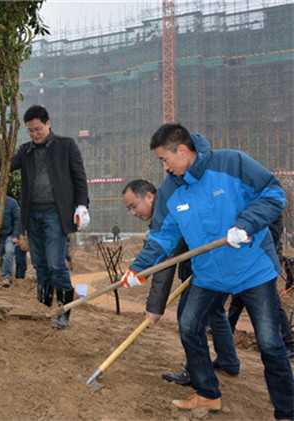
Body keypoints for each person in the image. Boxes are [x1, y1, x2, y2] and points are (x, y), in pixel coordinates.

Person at [120, 124, 293, 418]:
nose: (164, 167)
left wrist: (246, 224)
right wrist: (139, 268)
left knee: (269, 343)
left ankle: (287, 411)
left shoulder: (231, 163)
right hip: (209, 274)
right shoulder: (170, 190)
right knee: (189, 326)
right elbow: (162, 237)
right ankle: (207, 394)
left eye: (164, 159)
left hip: (252, 269)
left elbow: (273, 193)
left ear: (182, 150)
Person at [122, 179, 239, 388]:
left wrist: (155, 307)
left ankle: (196, 372)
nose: (133, 213)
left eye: (133, 206)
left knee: (188, 316)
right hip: (212, 264)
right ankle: (228, 360)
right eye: (128, 209)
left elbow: (165, 263)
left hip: (213, 264)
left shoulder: (169, 210)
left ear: (149, 196)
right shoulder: (167, 207)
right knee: (214, 310)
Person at [11, 104, 90, 329]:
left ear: (48, 124)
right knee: (40, 264)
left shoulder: (66, 146)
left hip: (55, 213)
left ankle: (64, 311)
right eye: (30, 130)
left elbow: (79, 177)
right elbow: (6, 165)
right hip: (32, 214)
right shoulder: (25, 151)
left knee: (56, 263)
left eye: (38, 129)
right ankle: (43, 308)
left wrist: (82, 206)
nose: (35, 134)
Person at [227, 213, 294, 359]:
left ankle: (289, 344)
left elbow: (270, 237)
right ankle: (226, 332)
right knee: (237, 299)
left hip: (263, 265)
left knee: (273, 304)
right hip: (247, 264)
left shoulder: (270, 211)